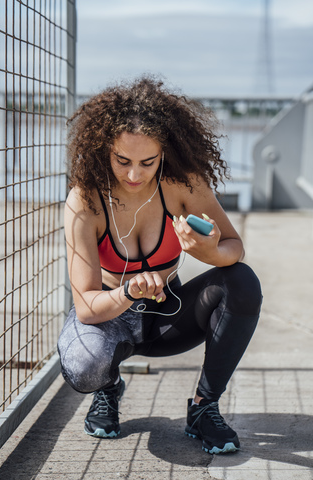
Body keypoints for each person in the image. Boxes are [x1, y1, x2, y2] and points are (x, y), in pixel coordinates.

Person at [57, 76, 262, 455]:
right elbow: (86, 307)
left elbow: (235, 247)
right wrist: (128, 291)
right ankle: (107, 389)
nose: (134, 174)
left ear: (164, 152)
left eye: (147, 162)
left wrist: (208, 251)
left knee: (242, 282)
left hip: (169, 316)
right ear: (104, 149)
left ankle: (204, 408)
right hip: (109, 320)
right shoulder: (84, 200)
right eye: (122, 161)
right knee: (83, 364)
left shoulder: (182, 184)